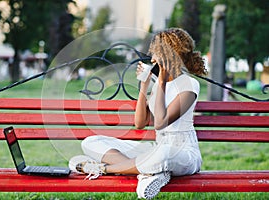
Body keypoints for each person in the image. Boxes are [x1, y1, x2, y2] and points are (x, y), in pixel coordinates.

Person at [69, 28, 208, 199]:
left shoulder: (189, 84)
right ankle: (152, 172)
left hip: (183, 154)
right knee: (91, 142)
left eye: (156, 54)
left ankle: (103, 169)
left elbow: (160, 122)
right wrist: (144, 85)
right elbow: (140, 123)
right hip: (157, 149)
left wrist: (162, 82)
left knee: (162, 154)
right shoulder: (157, 85)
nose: (152, 59)